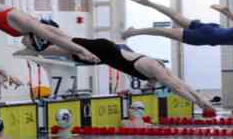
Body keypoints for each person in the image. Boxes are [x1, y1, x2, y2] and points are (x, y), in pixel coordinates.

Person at [14, 35, 215, 112]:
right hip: (105, 51)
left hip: (106, 53)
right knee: (62, 46)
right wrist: (198, 103)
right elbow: (177, 87)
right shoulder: (155, 69)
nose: (153, 87)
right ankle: (31, 39)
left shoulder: (155, 68)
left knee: (63, 47)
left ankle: (32, 42)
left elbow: (181, 84)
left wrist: (202, 101)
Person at [124, 0, 233, 46]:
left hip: (213, 28)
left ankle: (148, 3)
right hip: (205, 36)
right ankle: (133, 32)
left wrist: (227, 12)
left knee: (176, 16)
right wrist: (227, 12)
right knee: (163, 32)